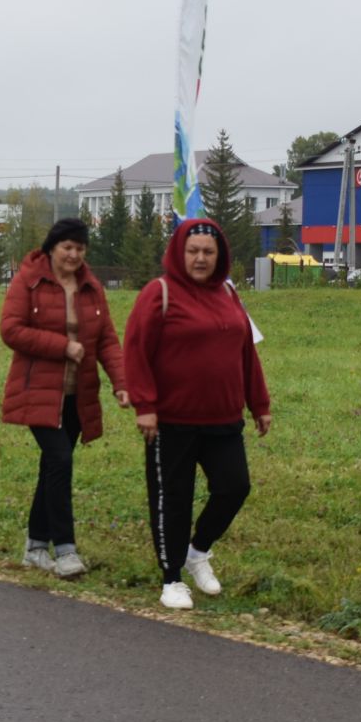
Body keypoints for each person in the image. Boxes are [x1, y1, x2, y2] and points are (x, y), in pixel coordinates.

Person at [121, 217, 271, 610]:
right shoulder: (160, 293)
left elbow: (245, 354)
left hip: (223, 418)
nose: (200, 258)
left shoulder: (228, 294)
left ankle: (197, 550)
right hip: (171, 422)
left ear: (219, 255)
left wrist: (260, 404)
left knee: (234, 486)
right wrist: (145, 406)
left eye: (208, 251)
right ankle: (171, 579)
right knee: (173, 498)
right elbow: (135, 351)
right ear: (179, 253)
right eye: (193, 251)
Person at [0, 217, 128, 578]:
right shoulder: (29, 280)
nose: (73, 255)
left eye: (80, 248)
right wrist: (63, 347)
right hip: (37, 391)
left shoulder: (91, 287)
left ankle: (35, 548)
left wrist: (121, 382)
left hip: (77, 395)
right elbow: (10, 329)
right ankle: (65, 549)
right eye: (66, 247)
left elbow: (106, 340)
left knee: (52, 466)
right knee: (59, 460)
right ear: (52, 247)